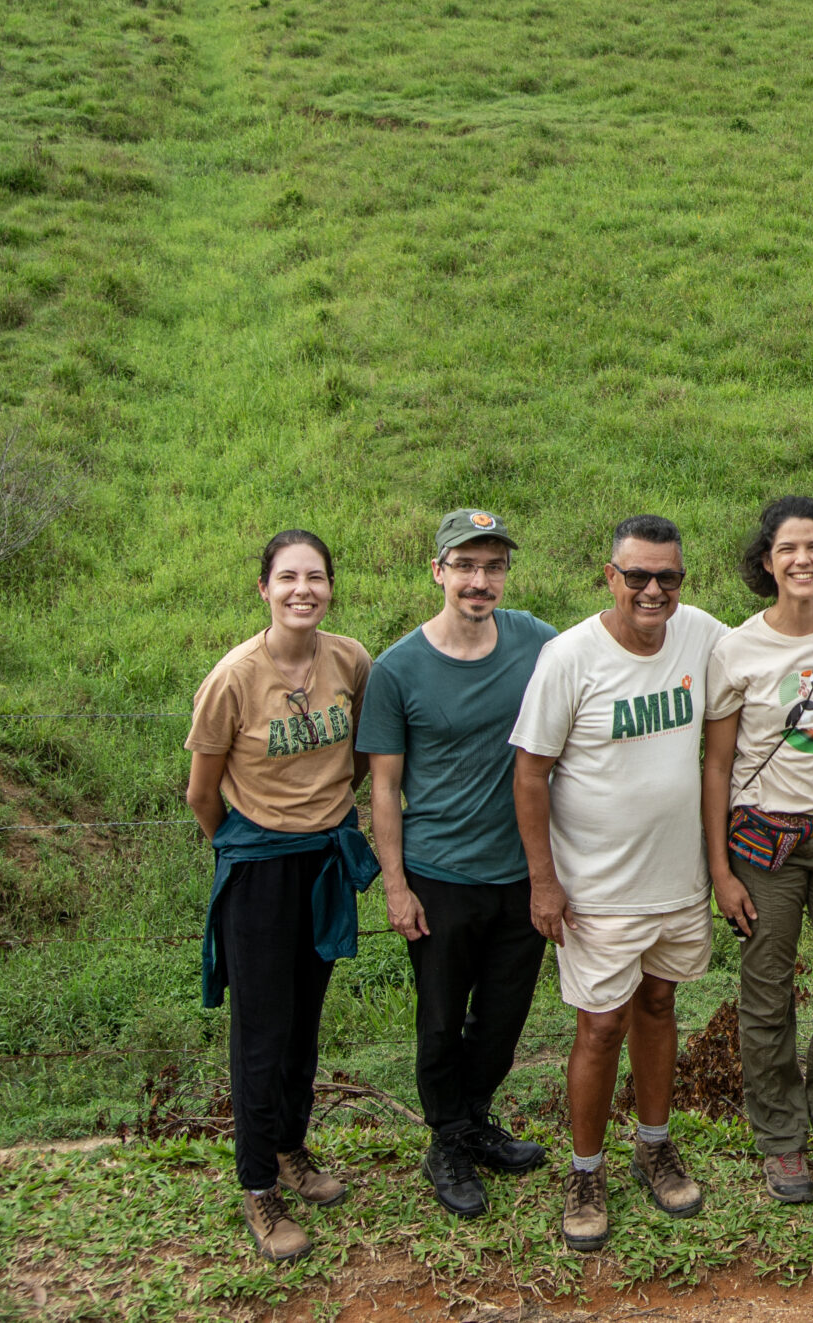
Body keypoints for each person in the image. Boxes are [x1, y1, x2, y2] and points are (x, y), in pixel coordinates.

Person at [513, 515, 727, 1253]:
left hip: (676, 879)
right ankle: (585, 1169)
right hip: (597, 888)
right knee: (601, 1024)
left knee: (660, 1002)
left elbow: (779, 641)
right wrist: (544, 880)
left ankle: (655, 1143)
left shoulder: (700, 633)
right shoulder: (569, 656)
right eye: (636, 575)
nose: (652, 589)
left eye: (667, 575)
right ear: (610, 576)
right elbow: (531, 771)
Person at [184, 530, 377, 1264]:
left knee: (304, 1019)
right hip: (260, 869)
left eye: (316, 576)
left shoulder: (348, 658)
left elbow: (358, 753)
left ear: (330, 586)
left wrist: (322, 814)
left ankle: (293, 1147)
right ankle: (258, 1182)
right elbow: (203, 794)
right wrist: (250, 843)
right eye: (288, 577)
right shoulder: (234, 677)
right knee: (261, 1032)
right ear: (263, 587)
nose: (303, 589)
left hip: (323, 861)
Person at [361, 509, 558, 1220]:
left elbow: (611, 652)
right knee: (442, 1020)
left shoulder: (536, 639)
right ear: (438, 570)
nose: (481, 580)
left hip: (522, 871)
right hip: (439, 873)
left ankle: (473, 1120)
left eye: (494, 565)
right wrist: (395, 884)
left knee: (502, 1017)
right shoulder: (396, 668)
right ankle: (445, 1137)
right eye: (466, 565)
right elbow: (384, 785)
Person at [699, 497, 813, 1203]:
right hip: (763, 841)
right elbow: (716, 765)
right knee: (767, 994)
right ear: (766, 561)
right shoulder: (737, 647)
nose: (802, 559)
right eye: (788, 549)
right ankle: (781, 1136)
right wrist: (720, 869)